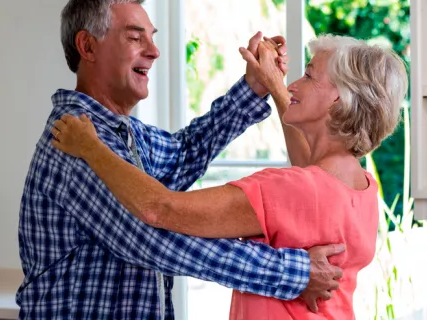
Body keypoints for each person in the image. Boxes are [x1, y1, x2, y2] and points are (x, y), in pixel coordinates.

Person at [16, 0, 344, 319]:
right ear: (87, 46)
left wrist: (253, 87)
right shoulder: (75, 140)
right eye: (134, 37)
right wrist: (294, 273)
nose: (154, 51)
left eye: (152, 37)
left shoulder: (125, 134)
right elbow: (156, 239)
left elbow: (184, 154)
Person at [51, 34, 408, 319]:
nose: (295, 84)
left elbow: (158, 209)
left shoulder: (290, 188)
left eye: (310, 75)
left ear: (338, 102)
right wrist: (270, 81)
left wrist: (91, 148)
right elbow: (309, 165)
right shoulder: (361, 188)